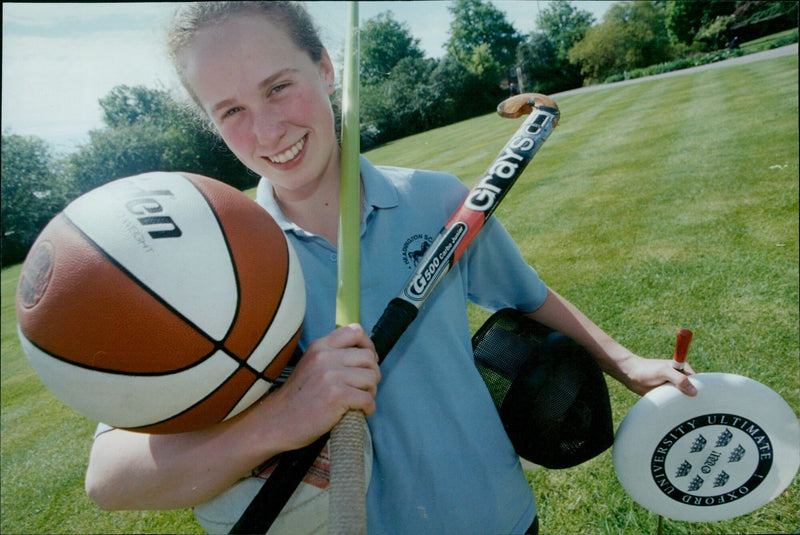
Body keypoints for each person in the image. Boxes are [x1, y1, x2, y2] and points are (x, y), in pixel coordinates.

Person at [84, 3, 697, 534]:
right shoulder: (210, 264)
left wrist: (625, 363)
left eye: (278, 87)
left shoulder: (437, 201)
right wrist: (282, 416)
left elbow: (528, 296)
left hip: (500, 514)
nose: (268, 130)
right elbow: (112, 480)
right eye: (231, 110)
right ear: (210, 123)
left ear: (325, 67)